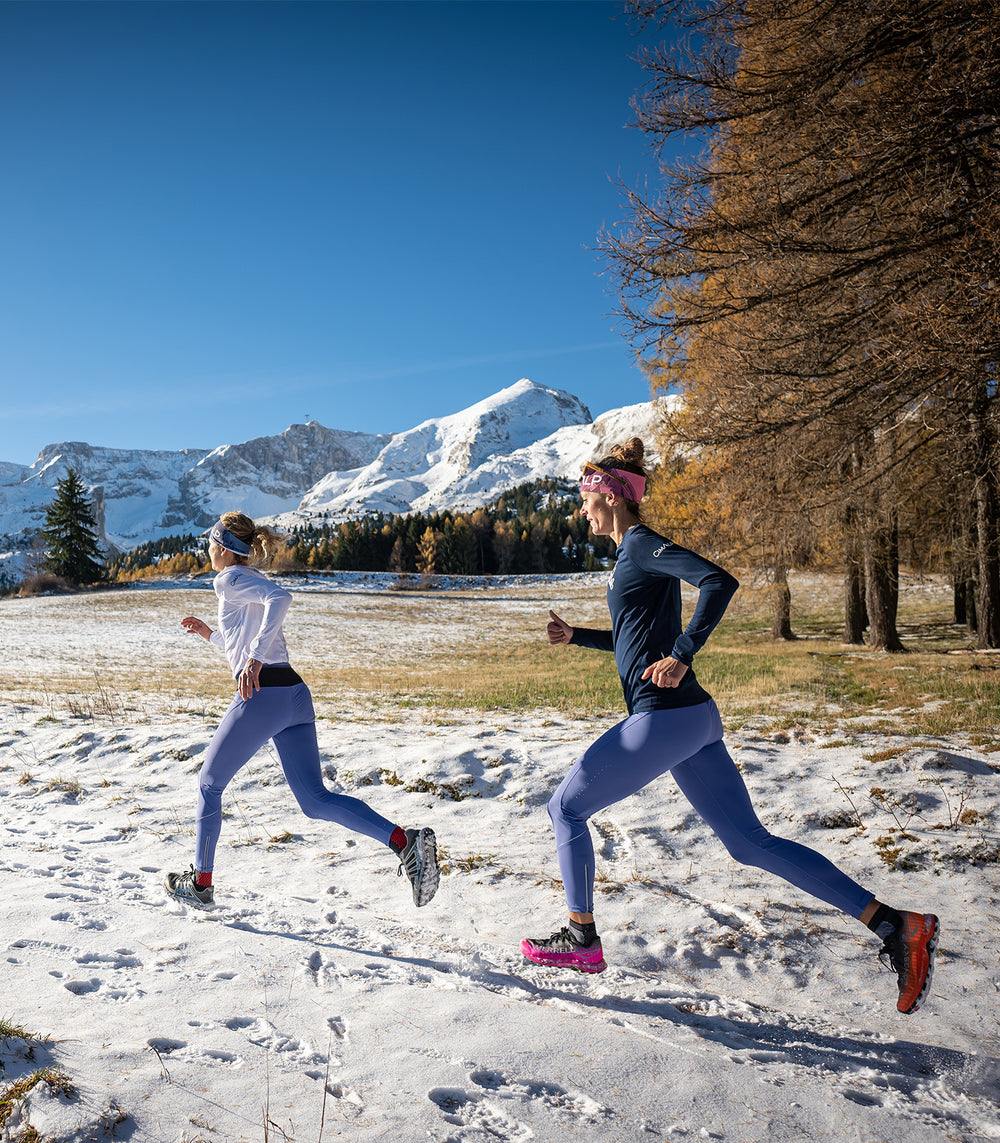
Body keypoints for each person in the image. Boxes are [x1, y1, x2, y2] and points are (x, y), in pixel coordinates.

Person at [520, 438, 939, 1015]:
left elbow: (718, 581)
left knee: (565, 808)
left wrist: (683, 652)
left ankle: (581, 939)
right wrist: (578, 638)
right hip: (692, 720)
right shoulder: (629, 558)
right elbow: (634, 638)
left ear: (610, 496)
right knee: (748, 843)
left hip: (665, 716)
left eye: (585, 498)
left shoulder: (639, 543)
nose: (581, 510)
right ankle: (896, 925)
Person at [163, 512, 439, 910]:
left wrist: (255, 659)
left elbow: (281, 598)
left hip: (264, 695)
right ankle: (405, 842)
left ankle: (201, 884)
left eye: (211, 543)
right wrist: (210, 635)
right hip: (293, 694)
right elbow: (241, 638)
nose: (208, 550)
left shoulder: (229, 579)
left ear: (223, 548)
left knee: (209, 784)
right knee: (315, 800)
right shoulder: (245, 580)